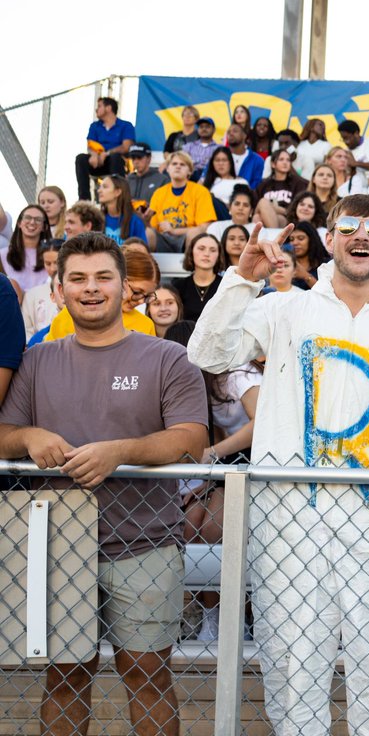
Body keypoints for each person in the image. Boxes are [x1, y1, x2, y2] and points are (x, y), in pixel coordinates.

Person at [190, 196, 369, 736]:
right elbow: (207, 355)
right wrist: (240, 280)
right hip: (291, 521)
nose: (360, 238)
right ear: (329, 238)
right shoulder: (282, 309)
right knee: (294, 675)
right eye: (348, 228)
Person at [0, 233, 208, 736]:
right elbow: (3, 435)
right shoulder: (36, 360)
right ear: (59, 288)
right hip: (56, 544)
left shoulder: (165, 357)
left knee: (148, 674)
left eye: (102, 278)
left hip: (145, 541)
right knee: (66, 675)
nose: (90, 289)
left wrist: (121, 451)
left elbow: (192, 438)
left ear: (125, 287)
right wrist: (29, 436)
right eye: (78, 279)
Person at [46, 246, 159, 341]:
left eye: (147, 296)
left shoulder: (145, 325)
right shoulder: (68, 317)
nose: (140, 301)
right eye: (137, 292)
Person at [147, 152, 218, 252]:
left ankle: (189, 266)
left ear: (190, 171)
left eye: (182, 164)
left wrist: (174, 231)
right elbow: (152, 226)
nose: (178, 167)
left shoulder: (200, 191)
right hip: (163, 238)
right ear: (167, 169)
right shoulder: (159, 193)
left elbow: (204, 227)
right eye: (174, 164)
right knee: (147, 233)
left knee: (194, 233)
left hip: (187, 238)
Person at [74, 97, 134, 201]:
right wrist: (94, 155)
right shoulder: (95, 126)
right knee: (81, 158)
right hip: (97, 162)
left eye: (99, 106)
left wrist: (107, 153)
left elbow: (126, 147)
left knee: (115, 157)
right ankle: (84, 199)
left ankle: (119, 196)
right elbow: (90, 146)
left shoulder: (125, 126)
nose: (96, 109)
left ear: (109, 108)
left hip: (117, 164)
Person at [172, 233, 224, 321]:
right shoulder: (178, 286)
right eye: (201, 249)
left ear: (218, 255)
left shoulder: (225, 286)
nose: (207, 254)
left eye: (213, 250)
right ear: (191, 252)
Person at [21, 238, 63, 342]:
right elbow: (26, 330)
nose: (53, 268)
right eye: (48, 263)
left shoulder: (77, 291)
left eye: (57, 263)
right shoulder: (32, 295)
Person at [3, 205, 52, 291]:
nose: (32, 222)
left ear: (45, 227)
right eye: (27, 218)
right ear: (19, 223)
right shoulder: (2, 255)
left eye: (38, 219)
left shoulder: (52, 255)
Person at [255, 148, 308, 217]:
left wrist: (277, 209)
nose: (285, 162)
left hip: (287, 218)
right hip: (265, 216)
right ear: (273, 164)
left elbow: (297, 209)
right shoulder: (264, 184)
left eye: (288, 160)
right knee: (257, 217)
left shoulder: (297, 183)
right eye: (281, 159)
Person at [97, 176, 149, 246]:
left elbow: (141, 252)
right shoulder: (97, 219)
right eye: (100, 187)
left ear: (117, 192)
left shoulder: (135, 221)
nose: (99, 190)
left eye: (105, 187)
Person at [338, 119, 369, 190]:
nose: (345, 142)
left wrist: (356, 163)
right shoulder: (346, 152)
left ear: (356, 133)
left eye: (347, 138)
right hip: (357, 188)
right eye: (343, 139)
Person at [287, 220, 331, 290]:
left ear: (311, 240)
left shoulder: (327, 264)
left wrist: (306, 276)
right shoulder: (285, 265)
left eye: (301, 238)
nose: (295, 243)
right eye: (291, 239)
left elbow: (329, 294)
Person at [125, 144, 169, 211]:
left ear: (149, 158)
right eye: (133, 158)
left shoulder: (162, 180)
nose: (136, 162)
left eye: (139, 158)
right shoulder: (128, 180)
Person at [223, 124, 265, 189]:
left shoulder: (257, 160)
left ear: (244, 136)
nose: (231, 134)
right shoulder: (219, 157)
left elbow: (257, 184)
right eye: (228, 132)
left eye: (235, 131)